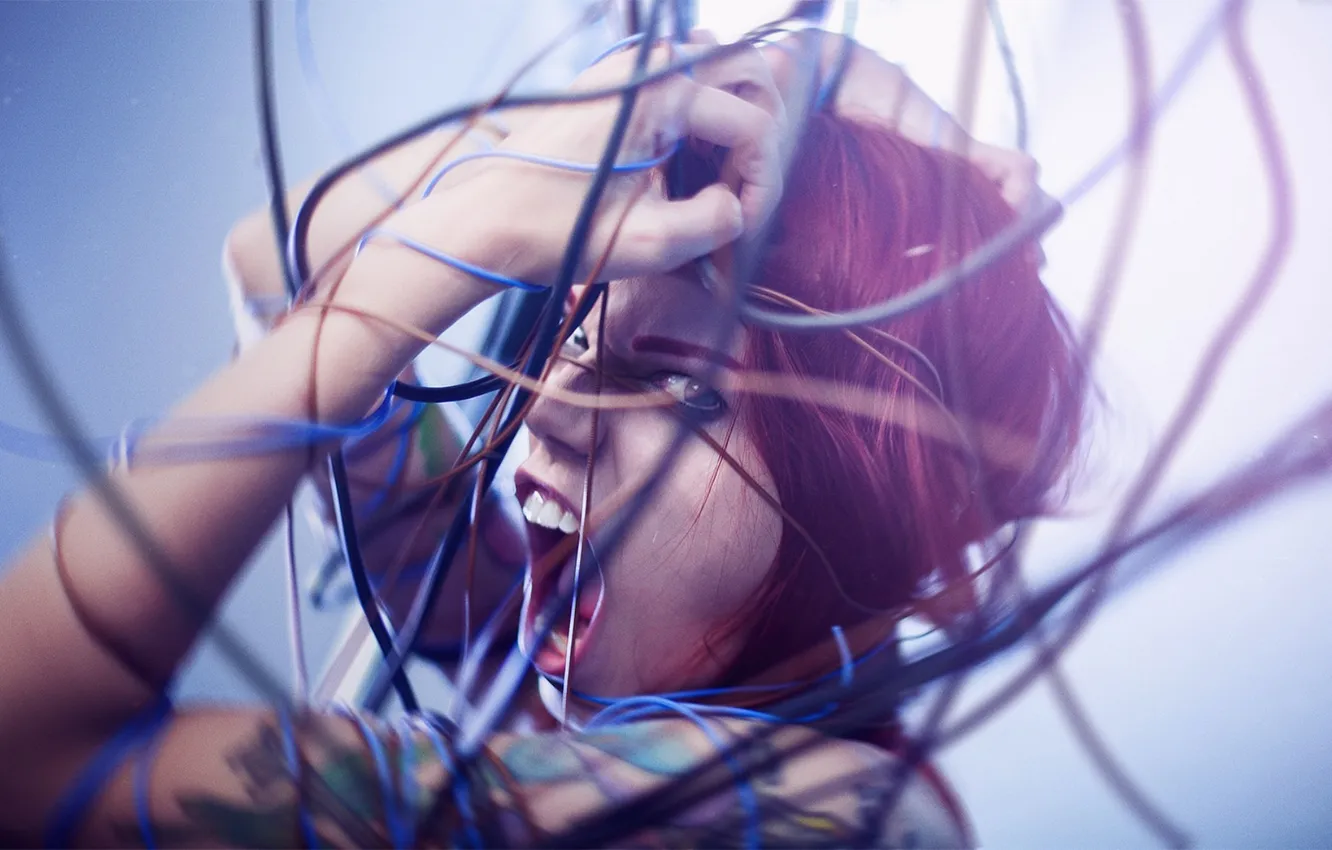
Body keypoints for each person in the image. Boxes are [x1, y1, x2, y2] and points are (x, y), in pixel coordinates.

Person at [0, 30, 1081, 848]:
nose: (548, 404)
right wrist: (743, 74)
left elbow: (27, 758)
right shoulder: (523, 636)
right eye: (569, 327)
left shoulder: (829, 813)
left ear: (872, 502)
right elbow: (283, 261)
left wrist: (466, 227)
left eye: (670, 379)